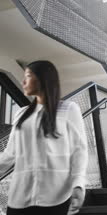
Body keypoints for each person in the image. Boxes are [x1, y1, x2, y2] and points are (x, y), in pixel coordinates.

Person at [0, 61, 88, 215]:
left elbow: (79, 151)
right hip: (19, 197)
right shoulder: (21, 113)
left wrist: (78, 184)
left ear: (43, 80)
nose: (23, 82)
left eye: (28, 76)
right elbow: (10, 155)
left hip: (56, 196)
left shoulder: (68, 109)